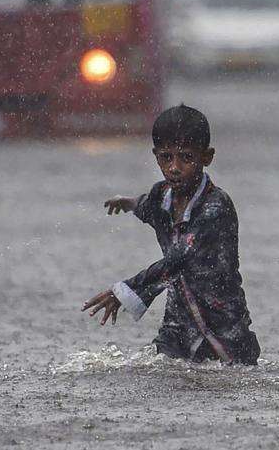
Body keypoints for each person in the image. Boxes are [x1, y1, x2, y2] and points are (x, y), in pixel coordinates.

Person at [82, 105, 261, 365]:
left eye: (186, 158)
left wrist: (124, 291)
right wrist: (128, 203)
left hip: (224, 326)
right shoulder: (161, 195)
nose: (174, 167)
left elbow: (178, 259)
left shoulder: (216, 206)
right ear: (156, 157)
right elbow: (146, 205)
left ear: (207, 157)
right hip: (179, 325)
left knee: (233, 379)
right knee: (159, 374)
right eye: (166, 157)